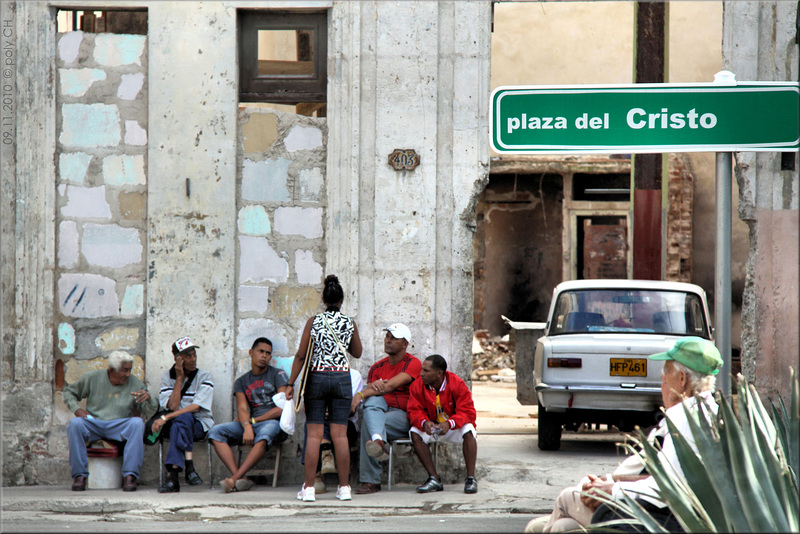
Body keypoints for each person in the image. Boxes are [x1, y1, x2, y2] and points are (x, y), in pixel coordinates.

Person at [580, 337, 723, 532]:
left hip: (675, 520)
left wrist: (613, 490)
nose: (662, 382)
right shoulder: (711, 411)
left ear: (682, 379)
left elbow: (666, 488)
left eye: (666, 374)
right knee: (562, 524)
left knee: (578, 510)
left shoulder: (684, 419)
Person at [287, 274, 363, 503]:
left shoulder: (314, 321)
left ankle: (309, 489)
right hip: (341, 378)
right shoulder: (349, 323)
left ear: (323, 298)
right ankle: (345, 488)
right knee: (340, 435)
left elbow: (301, 356)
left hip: (316, 378)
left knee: (314, 434)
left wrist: (291, 383)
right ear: (342, 300)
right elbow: (357, 353)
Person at [63, 350, 157, 492]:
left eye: (130, 370)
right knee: (75, 424)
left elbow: (149, 411)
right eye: (125, 370)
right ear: (112, 369)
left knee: (137, 423)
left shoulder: (134, 383)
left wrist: (149, 399)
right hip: (95, 423)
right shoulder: (93, 377)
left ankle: (130, 476)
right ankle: (79, 476)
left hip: (119, 425)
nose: (128, 374)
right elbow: (69, 392)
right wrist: (78, 410)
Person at [209, 337, 289, 493]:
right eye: (261, 352)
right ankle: (239, 478)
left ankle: (234, 479)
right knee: (215, 432)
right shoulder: (241, 381)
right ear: (251, 353)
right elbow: (242, 408)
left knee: (266, 432)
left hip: (274, 423)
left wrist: (252, 421)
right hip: (250, 424)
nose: (264, 356)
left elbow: (282, 408)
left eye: (268, 353)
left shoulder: (278, 375)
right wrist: (246, 425)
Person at [353, 323, 422, 495]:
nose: (388, 341)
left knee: (369, 420)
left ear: (405, 344)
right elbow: (374, 394)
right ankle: (378, 441)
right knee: (373, 403)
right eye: (387, 337)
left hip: (404, 416)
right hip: (381, 413)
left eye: (394, 338)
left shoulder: (413, 363)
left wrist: (359, 395)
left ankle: (371, 481)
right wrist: (369, 391)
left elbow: (390, 386)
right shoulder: (377, 368)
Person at [149, 336, 215, 493]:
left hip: (199, 424)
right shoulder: (167, 377)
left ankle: (173, 477)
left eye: (194, 355)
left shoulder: (204, 376)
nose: (193, 359)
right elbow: (172, 405)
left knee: (182, 419)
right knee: (180, 423)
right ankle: (189, 468)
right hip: (177, 425)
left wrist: (167, 417)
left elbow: (195, 407)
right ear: (177, 359)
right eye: (188, 356)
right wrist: (179, 379)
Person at [407, 354, 478, 494]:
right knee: (415, 432)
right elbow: (413, 410)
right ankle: (434, 479)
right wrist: (424, 422)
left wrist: (450, 423)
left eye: (426, 371)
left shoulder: (456, 383)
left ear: (439, 373)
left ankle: (471, 478)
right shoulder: (417, 385)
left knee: (469, 430)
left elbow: (468, 411)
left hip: (452, 426)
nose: (422, 373)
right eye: (422, 369)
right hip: (432, 427)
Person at [301, 367, 364, 494]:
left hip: (346, 422)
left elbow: (352, 407)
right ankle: (337, 483)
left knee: (330, 426)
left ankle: (323, 460)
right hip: (322, 420)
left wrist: (333, 411)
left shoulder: (353, 374)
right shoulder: (313, 373)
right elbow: (306, 408)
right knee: (313, 425)